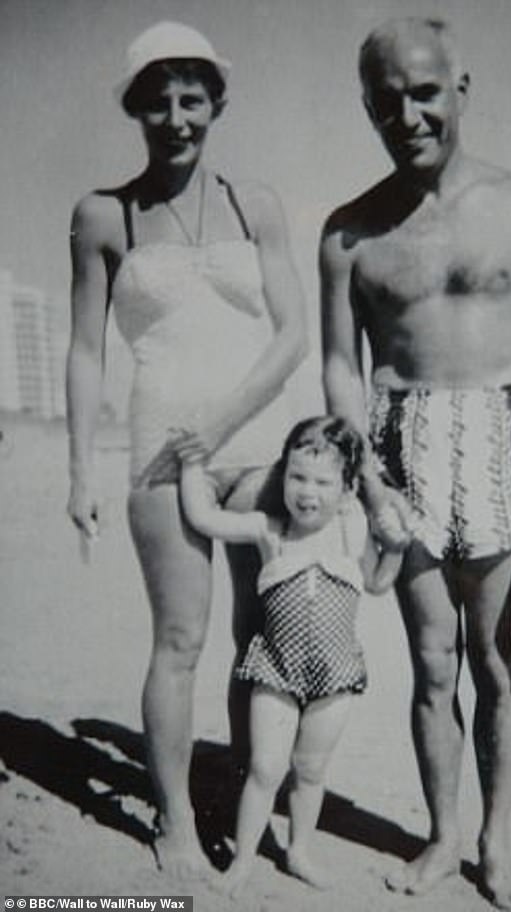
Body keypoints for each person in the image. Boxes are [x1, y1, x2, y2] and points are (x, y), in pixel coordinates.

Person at [320, 15, 511, 910]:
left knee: (500, 664)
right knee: (432, 664)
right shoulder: (349, 235)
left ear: (460, 91)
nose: (410, 114)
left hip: (505, 441)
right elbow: (339, 366)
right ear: (367, 110)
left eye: (426, 92)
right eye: (387, 101)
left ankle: (495, 842)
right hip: (400, 449)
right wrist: (363, 471)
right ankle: (442, 837)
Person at [66, 21, 306, 879]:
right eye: (157, 100)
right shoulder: (104, 214)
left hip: (257, 449)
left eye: (192, 97)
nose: (175, 116)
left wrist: (227, 421)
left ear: (217, 104)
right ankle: (171, 821)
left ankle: (237, 806)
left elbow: (293, 336)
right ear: (135, 109)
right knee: (179, 638)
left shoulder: (257, 204)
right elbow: (87, 349)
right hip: (160, 455)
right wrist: (77, 470)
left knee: (258, 638)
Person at [179, 416, 405, 895]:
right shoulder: (269, 531)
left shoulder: (350, 530)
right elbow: (204, 519)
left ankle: (298, 850)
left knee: (311, 769)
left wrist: (398, 548)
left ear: (346, 491)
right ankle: (242, 859)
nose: (308, 492)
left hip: (335, 676)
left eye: (324, 482)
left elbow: (380, 582)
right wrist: (190, 466)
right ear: (282, 477)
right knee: (265, 767)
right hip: (276, 671)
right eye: (297, 477)